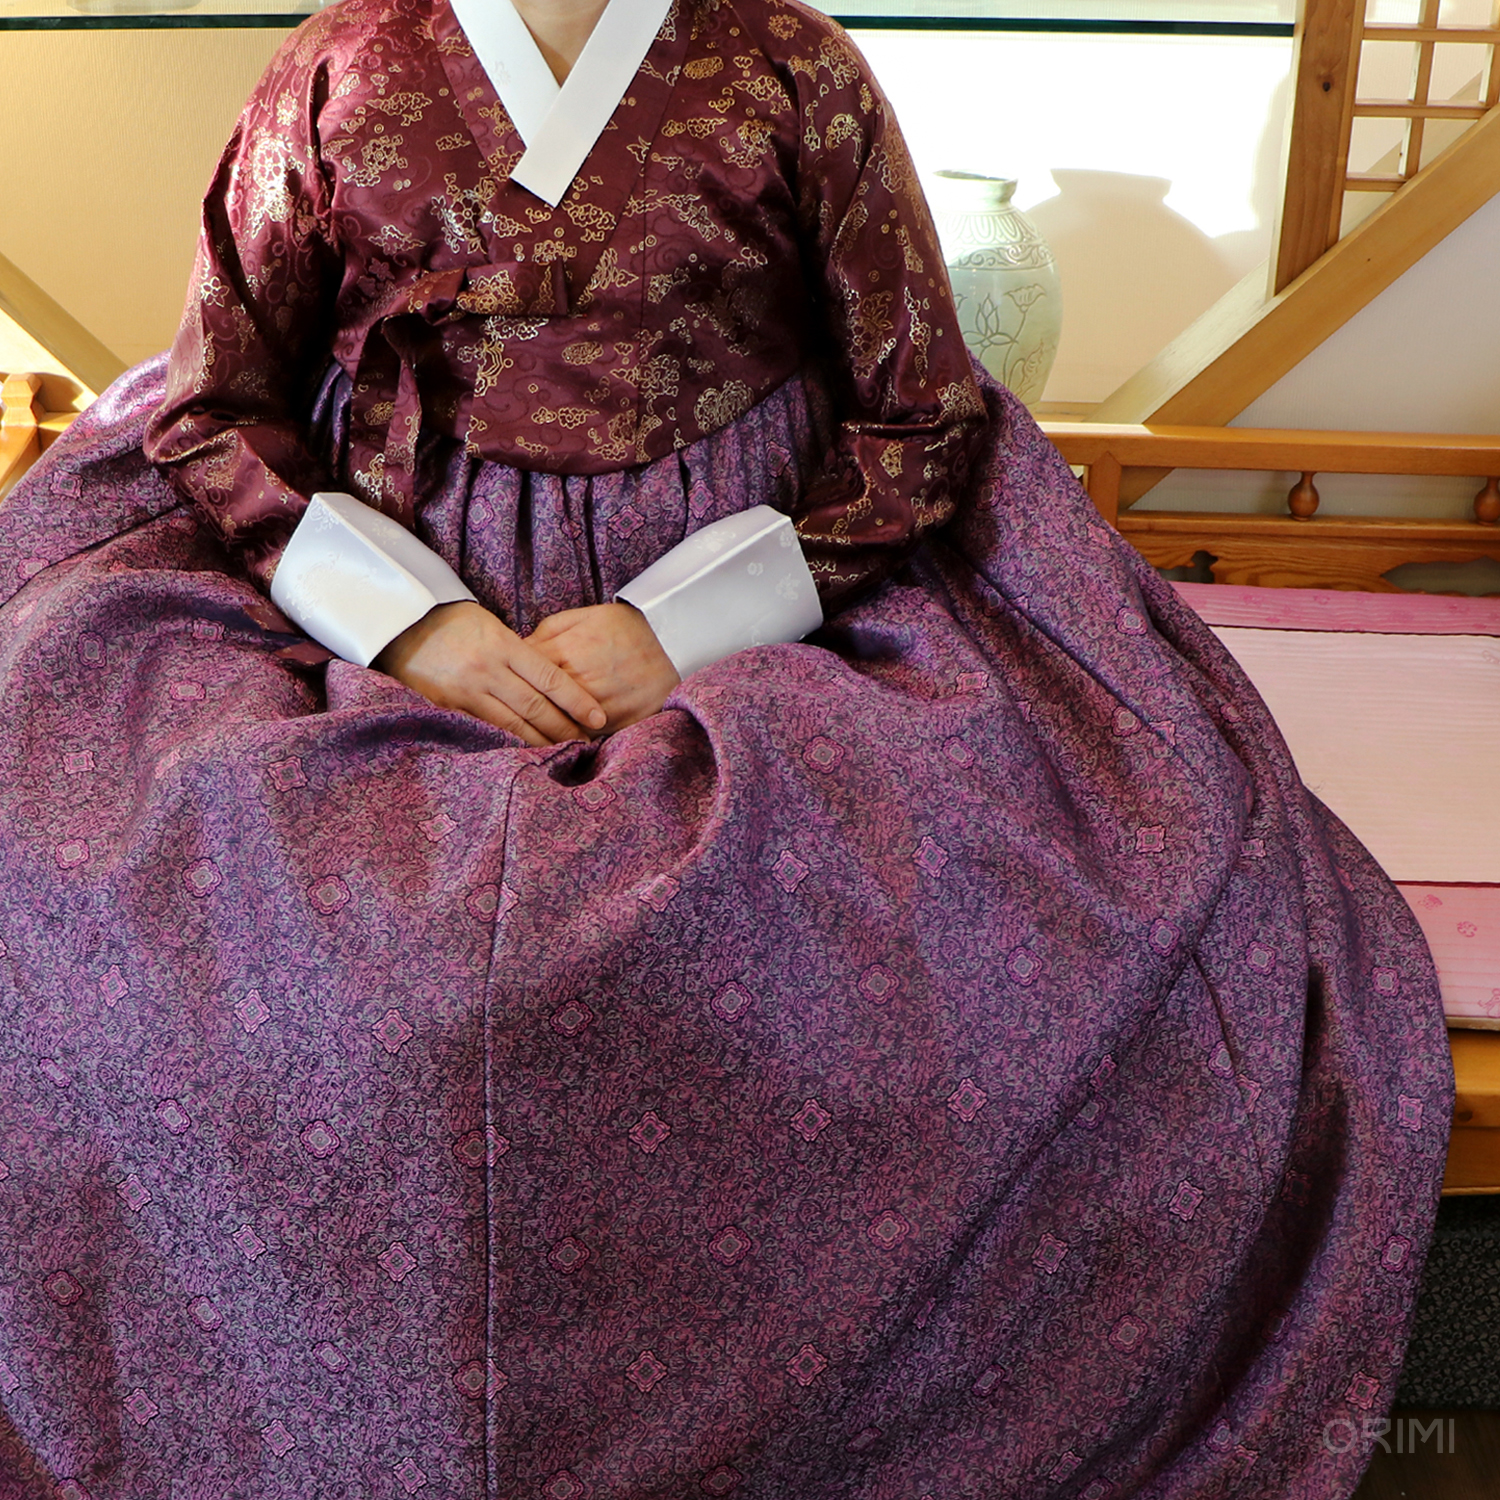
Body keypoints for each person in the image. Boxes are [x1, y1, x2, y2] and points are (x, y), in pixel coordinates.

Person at [0, 0, 1452, 1496]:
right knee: (180, 897)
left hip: (765, 593)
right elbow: (218, 406)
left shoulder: (791, 66)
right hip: (386, 581)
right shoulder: (335, 70)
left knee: (970, 912)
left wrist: (684, 623)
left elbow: (920, 412)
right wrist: (407, 623)